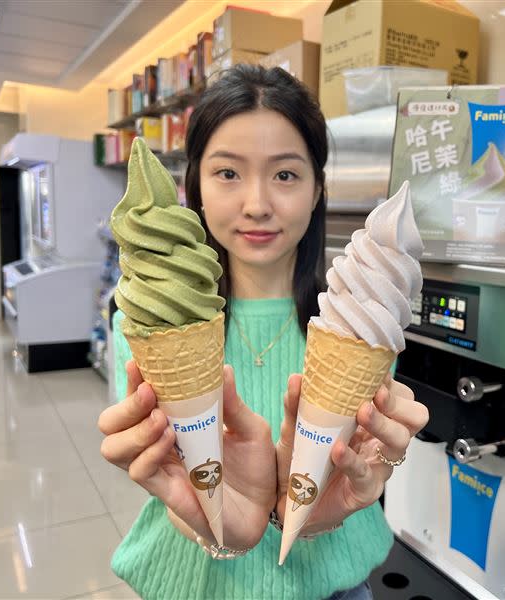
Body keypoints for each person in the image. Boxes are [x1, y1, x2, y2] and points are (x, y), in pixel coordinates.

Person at [97, 65, 429, 600]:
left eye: (285, 174)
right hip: (193, 584)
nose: (257, 203)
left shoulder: (363, 326)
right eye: (228, 173)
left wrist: (378, 468)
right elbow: (172, 478)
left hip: (335, 588)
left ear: (319, 188)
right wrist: (223, 525)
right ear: (196, 187)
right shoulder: (145, 324)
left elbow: (363, 461)